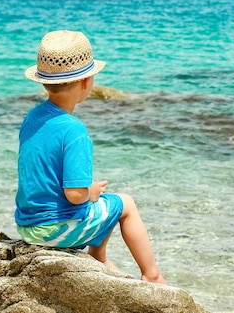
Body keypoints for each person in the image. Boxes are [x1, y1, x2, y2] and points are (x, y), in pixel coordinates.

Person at [14, 30, 166, 284]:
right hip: (54, 230)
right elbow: (75, 195)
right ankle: (152, 275)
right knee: (124, 204)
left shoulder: (32, 117)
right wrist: (92, 191)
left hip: (28, 225)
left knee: (105, 205)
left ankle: (97, 255)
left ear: (43, 82)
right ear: (87, 82)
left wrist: (90, 194)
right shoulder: (74, 130)